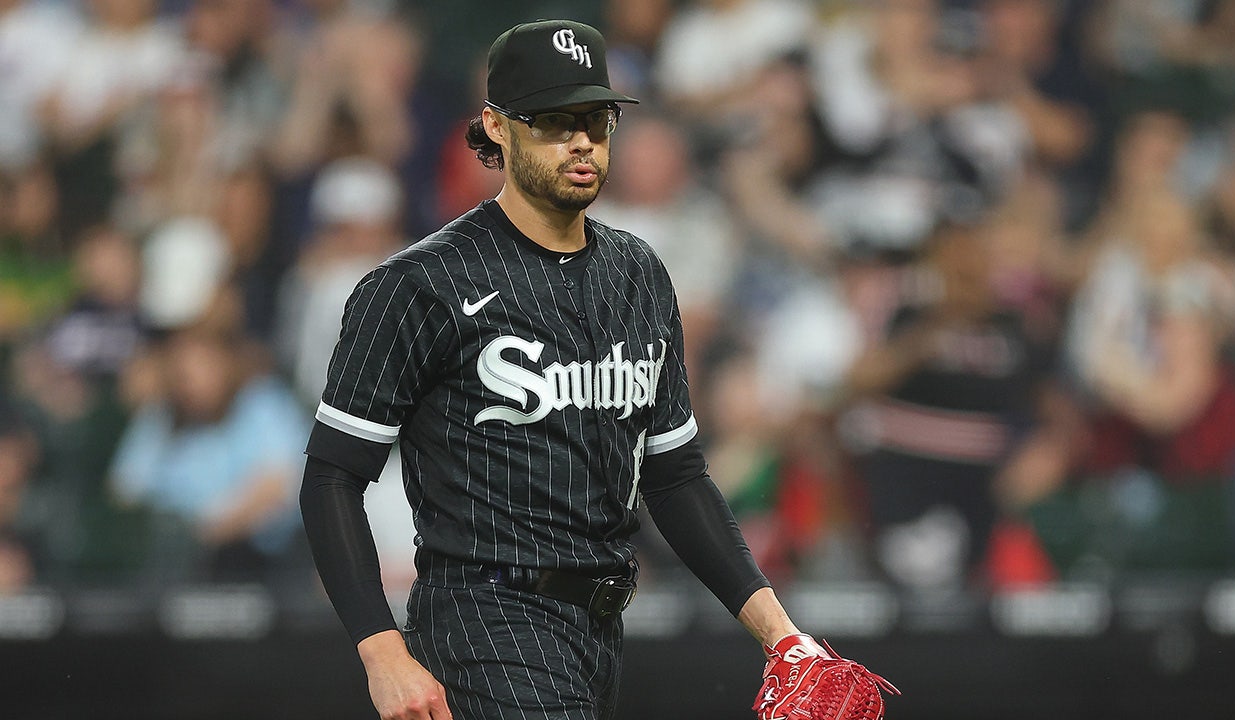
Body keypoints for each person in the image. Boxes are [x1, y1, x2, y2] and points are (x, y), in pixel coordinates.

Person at [298, 19, 870, 720]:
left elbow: (677, 476)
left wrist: (782, 637)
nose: (582, 141)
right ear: (497, 127)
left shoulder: (639, 274)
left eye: (596, 119)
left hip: (600, 630)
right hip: (484, 621)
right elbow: (331, 475)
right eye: (554, 120)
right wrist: (381, 649)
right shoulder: (423, 284)